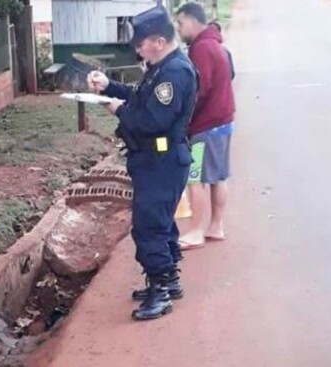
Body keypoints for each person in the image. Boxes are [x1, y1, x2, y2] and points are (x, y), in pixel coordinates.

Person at [87, 5, 198, 321]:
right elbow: (140, 97)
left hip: (161, 160)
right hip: (155, 160)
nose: (138, 50)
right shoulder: (161, 67)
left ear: (159, 42)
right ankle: (168, 281)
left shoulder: (174, 73)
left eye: (141, 44)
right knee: (161, 223)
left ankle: (160, 290)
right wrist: (109, 87)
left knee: (149, 226)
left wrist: (117, 110)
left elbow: (151, 120)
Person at [175, 2, 236, 249]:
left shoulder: (201, 49)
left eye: (180, 23)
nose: (178, 29)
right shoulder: (217, 44)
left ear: (192, 21)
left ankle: (196, 231)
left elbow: (198, 91)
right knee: (218, 176)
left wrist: (183, 120)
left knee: (195, 177)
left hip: (205, 126)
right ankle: (215, 226)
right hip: (222, 123)